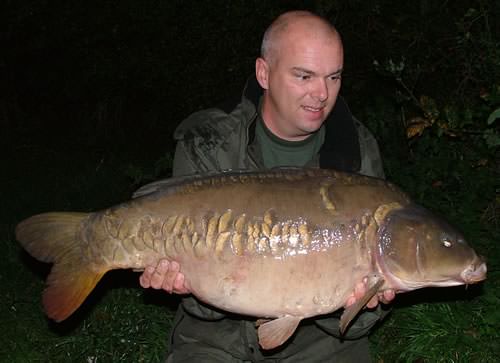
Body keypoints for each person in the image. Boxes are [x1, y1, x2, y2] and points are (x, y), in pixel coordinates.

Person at [140, 10, 395, 362]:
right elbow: (200, 306)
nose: (321, 93)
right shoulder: (212, 143)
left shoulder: (354, 151)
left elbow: (358, 325)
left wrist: (366, 302)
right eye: (304, 76)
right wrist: (189, 285)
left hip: (317, 343)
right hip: (216, 337)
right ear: (264, 73)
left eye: (333, 77)